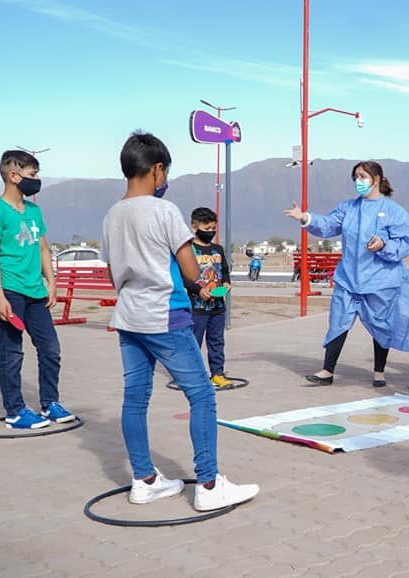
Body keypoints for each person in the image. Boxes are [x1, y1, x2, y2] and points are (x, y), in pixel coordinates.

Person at [101, 132, 258, 510]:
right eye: (165, 173)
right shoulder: (165, 211)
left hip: (129, 317)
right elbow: (190, 269)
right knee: (202, 395)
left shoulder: (112, 215)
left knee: (135, 399)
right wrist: (195, 279)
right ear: (157, 169)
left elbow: (112, 272)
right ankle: (209, 485)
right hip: (166, 316)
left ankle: (144, 480)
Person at [283, 161, 409, 387]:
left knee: (380, 325)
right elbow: (327, 225)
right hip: (348, 279)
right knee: (338, 321)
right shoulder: (348, 208)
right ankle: (327, 371)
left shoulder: (395, 212)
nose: (358, 181)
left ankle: (379, 372)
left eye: (363, 176)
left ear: (376, 179)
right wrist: (305, 218)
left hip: (380, 280)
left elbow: (405, 243)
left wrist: (383, 244)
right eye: (355, 177)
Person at [0, 150, 75, 429]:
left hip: (36, 293)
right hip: (9, 291)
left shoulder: (35, 211)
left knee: (50, 348)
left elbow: (43, 249)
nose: (36, 179)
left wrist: (52, 282)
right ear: (14, 175)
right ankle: (15, 412)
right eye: (32, 174)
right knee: (12, 353)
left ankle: (50, 403)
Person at [187, 207, 233, 388]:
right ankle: (191, 376)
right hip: (197, 307)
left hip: (217, 306)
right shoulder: (188, 250)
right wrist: (198, 290)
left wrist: (226, 283)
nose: (211, 232)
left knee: (217, 342)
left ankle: (217, 373)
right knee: (193, 342)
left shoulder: (217, 249)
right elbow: (183, 277)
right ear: (194, 227)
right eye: (206, 229)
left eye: (213, 228)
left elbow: (225, 270)